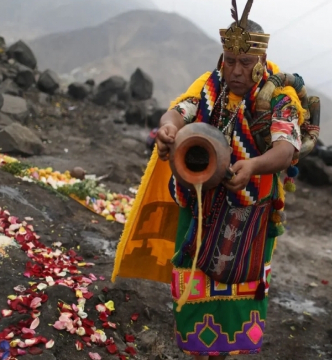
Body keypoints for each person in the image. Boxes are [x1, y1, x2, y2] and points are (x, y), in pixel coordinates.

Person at [112, 1, 318, 359]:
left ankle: (231, 352)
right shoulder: (210, 86)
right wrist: (168, 129)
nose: (235, 70)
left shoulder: (279, 99)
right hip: (200, 204)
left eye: (245, 62)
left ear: (262, 60)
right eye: (229, 60)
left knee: (241, 288)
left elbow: (285, 148)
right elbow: (180, 111)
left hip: (249, 215)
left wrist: (253, 166)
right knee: (190, 282)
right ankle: (195, 350)